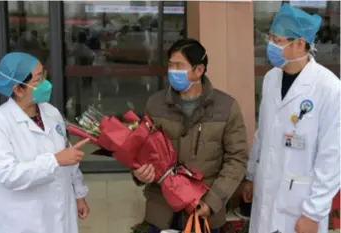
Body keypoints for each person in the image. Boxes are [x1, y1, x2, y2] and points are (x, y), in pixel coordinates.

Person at [132, 39, 249, 232]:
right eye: (170, 65)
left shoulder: (226, 107)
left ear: (199, 70)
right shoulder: (155, 104)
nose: (172, 71)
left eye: (179, 66)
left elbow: (236, 159)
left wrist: (212, 202)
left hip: (204, 209)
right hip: (161, 210)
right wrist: (139, 172)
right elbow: (140, 150)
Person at [242, 3, 340, 233]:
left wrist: (313, 213)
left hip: (300, 208)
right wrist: (251, 175)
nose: (270, 45)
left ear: (299, 44)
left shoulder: (329, 88)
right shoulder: (270, 79)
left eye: (278, 40)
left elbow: (333, 156)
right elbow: (262, 133)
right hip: (266, 195)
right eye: (271, 38)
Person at [0, 52, 91, 233]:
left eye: (44, 76)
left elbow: (68, 156)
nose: (45, 84)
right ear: (18, 89)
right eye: (38, 79)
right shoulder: (1, 122)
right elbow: (8, 175)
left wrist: (79, 194)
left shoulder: (50, 112)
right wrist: (54, 161)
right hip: (25, 219)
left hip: (61, 210)